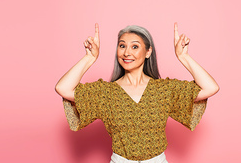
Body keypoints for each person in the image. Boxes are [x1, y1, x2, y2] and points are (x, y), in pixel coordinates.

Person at [55, 23, 219, 163]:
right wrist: (89, 58)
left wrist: (184, 57)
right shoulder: (105, 93)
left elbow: (210, 88)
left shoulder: (164, 89)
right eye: (122, 46)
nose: (127, 52)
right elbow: (63, 88)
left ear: (148, 52)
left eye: (135, 46)